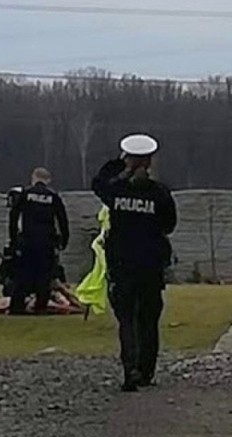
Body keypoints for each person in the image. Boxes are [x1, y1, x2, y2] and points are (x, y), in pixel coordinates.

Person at [91, 134, 177, 392]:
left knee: (126, 318)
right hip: (151, 264)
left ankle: (130, 370)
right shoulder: (160, 193)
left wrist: (121, 164)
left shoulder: (116, 191)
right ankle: (146, 370)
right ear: (149, 162)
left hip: (122, 262)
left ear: (127, 159)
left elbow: (98, 183)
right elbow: (169, 225)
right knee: (148, 318)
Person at [8, 168, 70, 315]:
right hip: (47, 241)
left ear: (34, 178)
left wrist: (14, 239)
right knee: (44, 276)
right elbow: (62, 220)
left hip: (27, 240)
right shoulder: (53, 196)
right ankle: (40, 307)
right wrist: (64, 240)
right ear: (48, 180)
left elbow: (14, 216)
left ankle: (17, 307)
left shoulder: (25, 193)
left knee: (23, 274)